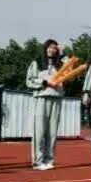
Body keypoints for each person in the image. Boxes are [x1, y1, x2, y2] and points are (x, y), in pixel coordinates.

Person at [26, 39, 66, 170]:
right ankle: (38, 161)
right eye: (50, 47)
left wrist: (64, 53)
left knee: (52, 131)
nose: (52, 50)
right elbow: (29, 81)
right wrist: (44, 83)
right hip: (41, 98)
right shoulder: (37, 62)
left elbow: (71, 68)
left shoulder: (60, 63)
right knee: (39, 130)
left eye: (55, 48)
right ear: (45, 48)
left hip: (56, 98)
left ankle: (49, 159)